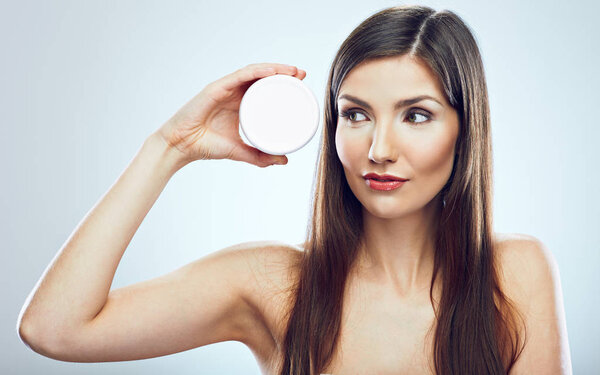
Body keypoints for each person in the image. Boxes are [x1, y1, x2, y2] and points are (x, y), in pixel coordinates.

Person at [17, 5, 572, 375]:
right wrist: (171, 146)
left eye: (416, 116)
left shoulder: (514, 273)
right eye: (355, 115)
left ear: (465, 128)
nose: (379, 148)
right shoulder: (273, 284)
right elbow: (54, 329)